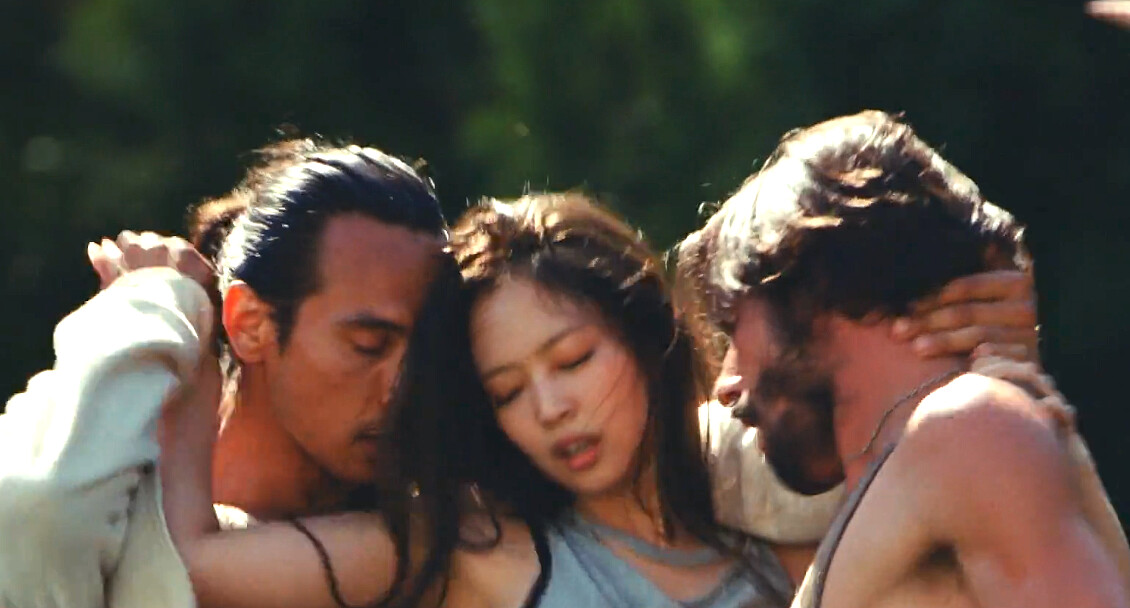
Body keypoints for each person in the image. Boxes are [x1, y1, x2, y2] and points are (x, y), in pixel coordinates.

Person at [151, 190, 1047, 608]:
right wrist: (181, 339)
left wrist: (992, 349)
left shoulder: (771, 502)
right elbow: (195, 564)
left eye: (573, 361)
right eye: (507, 391)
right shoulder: (471, 544)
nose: (551, 408)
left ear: (645, 337)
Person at [679, 110, 1130, 608]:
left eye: (734, 326)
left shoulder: (970, 427)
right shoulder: (931, 456)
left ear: (817, 293)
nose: (728, 384)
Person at [0, 139, 447, 608]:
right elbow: (34, 510)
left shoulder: (426, 554)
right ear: (250, 324)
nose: (405, 386)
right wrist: (158, 303)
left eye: (432, 354)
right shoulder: (100, 490)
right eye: (368, 345)